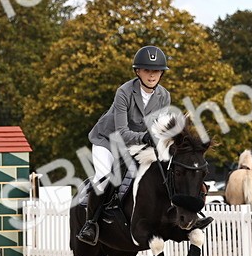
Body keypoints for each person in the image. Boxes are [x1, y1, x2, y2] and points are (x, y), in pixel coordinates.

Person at [77, 45, 191, 244]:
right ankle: (90, 225)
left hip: (137, 145)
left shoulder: (164, 96)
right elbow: (122, 133)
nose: (152, 75)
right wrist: (145, 138)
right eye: (147, 70)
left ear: (161, 74)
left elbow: (160, 128)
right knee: (104, 177)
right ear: (137, 71)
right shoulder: (124, 92)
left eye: (156, 71)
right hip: (108, 141)